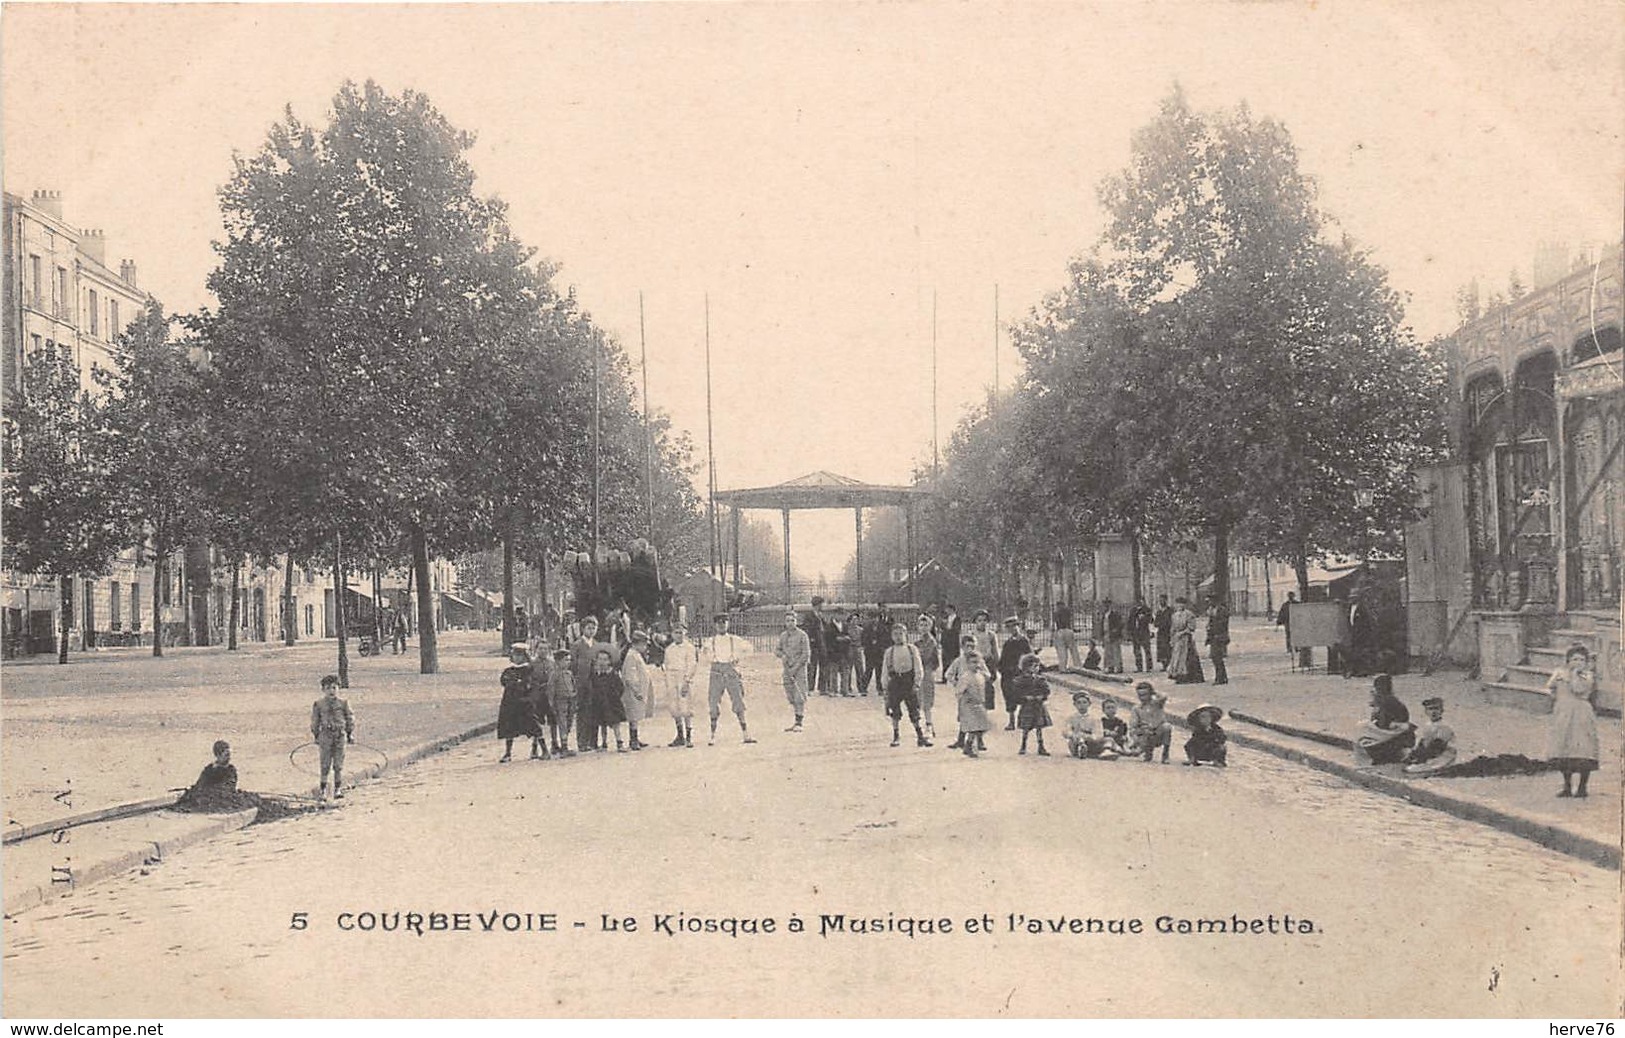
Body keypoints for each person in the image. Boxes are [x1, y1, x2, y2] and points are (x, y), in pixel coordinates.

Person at [1546, 644, 1600, 798]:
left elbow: (1578, 689)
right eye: (1574, 659)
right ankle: (1567, 786)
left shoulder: (1586, 676)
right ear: (1568, 660)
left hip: (1582, 715)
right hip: (1563, 714)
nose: (1578, 662)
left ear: (1586, 662)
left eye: (1582, 660)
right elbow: (1550, 687)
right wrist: (1556, 699)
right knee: (1564, 747)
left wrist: (1575, 674)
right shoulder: (1559, 673)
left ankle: (1583, 787)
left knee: (1583, 748)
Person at [699, 613, 757, 746]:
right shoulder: (710, 641)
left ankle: (745, 733)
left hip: (731, 671)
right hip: (716, 672)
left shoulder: (734, 639)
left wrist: (737, 659)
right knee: (713, 702)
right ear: (715, 625)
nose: (721, 625)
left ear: (728, 624)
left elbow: (749, 649)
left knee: (738, 701)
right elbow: (702, 657)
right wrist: (711, 661)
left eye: (724, 622)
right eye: (719, 623)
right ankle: (712, 736)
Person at [882, 622, 932, 748]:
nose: (898, 637)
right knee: (895, 710)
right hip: (895, 682)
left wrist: (917, 683)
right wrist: (885, 687)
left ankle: (920, 736)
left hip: (908, 681)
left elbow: (918, 666)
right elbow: (885, 671)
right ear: (892, 636)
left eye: (901, 634)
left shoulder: (912, 649)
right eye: (895, 634)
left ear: (906, 635)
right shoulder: (889, 651)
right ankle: (896, 736)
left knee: (914, 709)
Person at [497, 643, 547, 762]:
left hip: (525, 702)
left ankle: (544, 750)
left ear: (525, 656)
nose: (517, 658)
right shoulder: (509, 670)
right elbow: (504, 681)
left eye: (520, 655)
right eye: (515, 655)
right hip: (510, 702)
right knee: (509, 727)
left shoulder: (529, 670)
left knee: (534, 726)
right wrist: (515, 683)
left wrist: (528, 695)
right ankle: (508, 753)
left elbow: (531, 685)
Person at [1352, 673, 1415, 766]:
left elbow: (1384, 723)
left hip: (1397, 734)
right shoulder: (1382, 701)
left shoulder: (1389, 702)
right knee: (1363, 728)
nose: (1372, 690)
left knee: (1363, 727)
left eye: (1375, 687)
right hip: (1392, 732)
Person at [310, 674, 354, 800]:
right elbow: (315, 721)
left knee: (338, 764)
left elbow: (350, 718)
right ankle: (323, 790)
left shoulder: (343, 703)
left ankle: (338, 789)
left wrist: (350, 733)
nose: (331, 691)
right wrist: (316, 735)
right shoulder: (319, 704)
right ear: (323, 690)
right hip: (325, 736)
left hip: (340, 735)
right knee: (325, 764)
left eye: (334, 688)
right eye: (328, 688)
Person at [951, 648, 993, 758]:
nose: (976, 665)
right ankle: (968, 746)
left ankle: (969, 745)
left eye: (978, 662)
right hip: (968, 705)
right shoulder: (965, 677)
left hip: (979, 703)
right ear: (968, 664)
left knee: (982, 725)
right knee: (973, 727)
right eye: (973, 662)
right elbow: (959, 691)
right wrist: (964, 700)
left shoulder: (980, 675)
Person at [1402, 697, 1458, 776]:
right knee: (1407, 763)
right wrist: (1413, 754)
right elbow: (1423, 742)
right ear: (1426, 712)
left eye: (1436, 709)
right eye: (1430, 709)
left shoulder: (1445, 727)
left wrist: (1420, 758)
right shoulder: (1428, 725)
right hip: (1431, 753)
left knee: (1412, 770)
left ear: (1441, 711)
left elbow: (1437, 747)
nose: (1433, 712)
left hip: (1443, 755)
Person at [776, 610, 812, 732]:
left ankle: (799, 722)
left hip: (799, 669)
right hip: (787, 668)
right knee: (790, 695)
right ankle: (795, 720)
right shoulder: (783, 636)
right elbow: (777, 650)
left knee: (799, 695)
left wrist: (796, 668)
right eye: (788, 621)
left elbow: (806, 654)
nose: (790, 623)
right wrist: (782, 655)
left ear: (797, 621)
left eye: (793, 620)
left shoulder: (802, 635)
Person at [663, 623, 698, 747]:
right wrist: (668, 681)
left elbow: (692, 665)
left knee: (686, 707)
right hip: (672, 678)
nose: (679, 635)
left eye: (681, 632)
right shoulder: (669, 649)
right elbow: (666, 666)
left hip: (683, 677)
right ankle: (680, 736)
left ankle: (688, 737)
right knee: (674, 706)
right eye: (676, 632)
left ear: (685, 633)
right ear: (672, 634)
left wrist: (687, 681)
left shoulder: (689, 648)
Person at [571, 616, 602, 751]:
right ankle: (582, 742)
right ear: (583, 629)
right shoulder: (577, 645)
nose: (591, 631)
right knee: (582, 712)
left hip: (595, 683)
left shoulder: (597, 645)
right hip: (581, 683)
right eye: (589, 628)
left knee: (595, 711)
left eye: (594, 628)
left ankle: (594, 741)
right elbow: (572, 665)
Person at [619, 631, 654, 750]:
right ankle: (633, 740)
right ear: (637, 644)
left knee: (637, 714)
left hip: (638, 690)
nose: (645, 648)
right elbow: (630, 675)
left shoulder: (636, 654)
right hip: (633, 691)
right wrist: (636, 690)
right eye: (644, 645)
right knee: (633, 715)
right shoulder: (631, 656)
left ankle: (635, 738)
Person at [1012, 653, 1052, 756]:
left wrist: (1042, 696)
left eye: (1038, 666)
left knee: (1039, 727)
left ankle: (1041, 746)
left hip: (1038, 706)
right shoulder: (1020, 680)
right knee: (1026, 728)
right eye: (1034, 666)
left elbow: (1047, 690)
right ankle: (1023, 746)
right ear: (1026, 667)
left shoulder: (1040, 679)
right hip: (1028, 706)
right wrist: (1025, 697)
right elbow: (1016, 693)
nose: (1037, 668)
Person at [590, 648, 629, 752]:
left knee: (615, 723)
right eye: (600, 659)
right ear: (596, 660)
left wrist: (615, 696)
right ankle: (603, 743)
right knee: (602, 723)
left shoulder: (613, 674)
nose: (602, 662)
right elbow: (593, 687)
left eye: (605, 659)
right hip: (600, 702)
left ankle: (619, 742)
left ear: (609, 661)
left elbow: (621, 687)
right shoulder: (595, 674)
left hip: (612, 702)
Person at [1129, 681, 1172, 763]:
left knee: (1167, 727)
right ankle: (1147, 752)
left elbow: (1164, 696)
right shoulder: (1136, 709)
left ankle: (1165, 754)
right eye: (1140, 695)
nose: (1142, 698)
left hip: (1158, 732)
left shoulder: (1157, 704)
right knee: (1144, 735)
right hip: (1145, 734)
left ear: (1150, 694)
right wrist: (1135, 740)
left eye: (1145, 695)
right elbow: (1132, 726)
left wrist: (1154, 692)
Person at [914, 614, 942, 738]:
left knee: (927, 700)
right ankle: (922, 726)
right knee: (918, 699)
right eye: (921, 625)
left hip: (927, 671)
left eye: (926, 625)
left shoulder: (931, 642)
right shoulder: (917, 642)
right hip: (918, 672)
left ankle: (929, 725)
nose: (923, 628)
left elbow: (931, 659)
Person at [1064, 692, 1113, 759]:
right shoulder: (1071, 718)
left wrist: (1089, 737)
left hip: (1091, 742)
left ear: (1089, 704)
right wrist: (1073, 735)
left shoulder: (1094, 718)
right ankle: (1081, 750)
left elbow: (1098, 734)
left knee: (1108, 739)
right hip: (1076, 742)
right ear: (1074, 704)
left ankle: (1106, 751)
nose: (1082, 705)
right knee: (1076, 741)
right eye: (1079, 703)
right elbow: (1066, 731)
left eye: (1084, 702)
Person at [1167, 598, 1205, 685]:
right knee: (1177, 657)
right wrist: (1172, 638)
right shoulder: (1174, 615)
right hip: (1177, 639)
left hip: (1186, 638)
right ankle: (1178, 676)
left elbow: (1191, 627)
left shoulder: (1189, 614)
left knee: (1187, 657)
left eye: (1182, 604)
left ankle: (1190, 676)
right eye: (1178, 604)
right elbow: (1172, 628)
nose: (1180, 606)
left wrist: (1182, 632)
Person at [548, 648, 578, 756]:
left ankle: (564, 743)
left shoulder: (569, 673)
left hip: (570, 700)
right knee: (562, 723)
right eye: (565, 660)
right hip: (560, 701)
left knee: (569, 722)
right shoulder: (554, 674)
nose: (568, 662)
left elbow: (573, 685)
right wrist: (551, 703)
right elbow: (551, 689)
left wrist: (575, 696)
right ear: (558, 661)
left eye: (569, 660)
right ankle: (563, 746)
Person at [970, 611, 1000, 710]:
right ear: (975, 622)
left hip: (988, 662)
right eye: (979, 620)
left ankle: (985, 709)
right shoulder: (972, 634)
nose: (982, 623)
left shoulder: (991, 635)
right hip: (976, 662)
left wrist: (996, 664)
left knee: (987, 687)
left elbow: (995, 650)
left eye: (984, 620)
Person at [862, 607, 892, 697]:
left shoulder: (882, 627)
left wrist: (881, 646)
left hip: (879, 652)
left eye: (876, 617)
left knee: (879, 671)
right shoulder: (867, 627)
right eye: (872, 618)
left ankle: (879, 688)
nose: (874, 620)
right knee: (868, 670)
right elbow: (863, 639)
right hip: (870, 652)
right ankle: (864, 687)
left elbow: (886, 639)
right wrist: (869, 643)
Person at [1206, 597, 1231, 686]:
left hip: (1219, 636)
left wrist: (1213, 630)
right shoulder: (1212, 610)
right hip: (1214, 637)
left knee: (1217, 657)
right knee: (1215, 657)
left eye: (1210, 601)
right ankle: (1222, 677)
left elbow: (1223, 624)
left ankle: (1220, 678)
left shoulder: (1222, 610)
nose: (1209, 603)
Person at [842, 609, 865, 696]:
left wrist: (861, 646)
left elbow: (863, 639)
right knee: (849, 669)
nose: (855, 621)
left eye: (856, 620)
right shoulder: (847, 629)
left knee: (860, 669)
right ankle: (848, 687)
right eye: (853, 620)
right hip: (850, 648)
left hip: (858, 649)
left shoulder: (860, 630)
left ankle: (861, 687)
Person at [1128, 598, 1154, 672]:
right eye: (1137, 601)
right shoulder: (1133, 610)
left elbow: (1151, 620)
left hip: (1144, 632)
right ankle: (1139, 667)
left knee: (1147, 650)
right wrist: (1130, 633)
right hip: (1135, 633)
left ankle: (1149, 667)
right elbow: (1130, 622)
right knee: (1136, 651)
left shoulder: (1147, 610)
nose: (1138, 603)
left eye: (1140, 601)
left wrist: (1144, 617)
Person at [1099, 599, 1125, 674]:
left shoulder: (1114, 614)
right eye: (1104, 605)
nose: (1105, 606)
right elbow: (1102, 625)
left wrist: (1116, 630)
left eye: (1107, 605)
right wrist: (1102, 635)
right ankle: (1110, 667)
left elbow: (1120, 624)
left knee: (1116, 651)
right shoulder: (1104, 615)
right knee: (1108, 652)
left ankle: (1119, 667)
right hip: (1106, 634)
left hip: (1113, 635)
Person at [1053, 601, 1079, 671]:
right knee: (1073, 650)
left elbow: (1056, 622)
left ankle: (1062, 667)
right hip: (1068, 629)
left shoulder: (1056, 612)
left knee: (1062, 651)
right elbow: (1070, 620)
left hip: (1060, 630)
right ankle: (1077, 665)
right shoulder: (1067, 611)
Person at [939, 604, 963, 683]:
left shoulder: (957, 619)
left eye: (948, 609)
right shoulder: (945, 618)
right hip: (946, 643)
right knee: (945, 660)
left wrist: (947, 630)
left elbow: (956, 630)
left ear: (952, 610)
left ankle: (956, 677)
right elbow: (941, 628)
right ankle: (944, 678)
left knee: (955, 660)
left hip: (953, 643)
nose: (947, 611)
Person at [1153, 594, 1174, 671]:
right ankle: (1164, 664)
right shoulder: (1158, 612)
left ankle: (1169, 664)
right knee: (1161, 649)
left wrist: (1164, 624)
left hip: (1168, 633)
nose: (1161, 601)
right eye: (1160, 600)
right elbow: (1155, 623)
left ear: (1166, 600)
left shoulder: (1170, 611)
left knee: (1168, 648)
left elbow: (1171, 621)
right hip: (1161, 633)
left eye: (1163, 600)